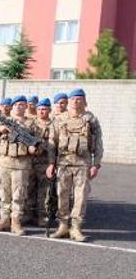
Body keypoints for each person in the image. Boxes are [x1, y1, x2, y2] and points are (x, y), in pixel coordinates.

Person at [46, 89, 103, 242]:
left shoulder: (90, 119)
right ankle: (63, 226)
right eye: (73, 99)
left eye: (79, 99)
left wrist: (96, 165)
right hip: (63, 163)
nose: (76, 102)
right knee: (62, 195)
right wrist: (51, 163)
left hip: (83, 164)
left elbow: (98, 143)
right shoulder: (59, 119)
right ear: (69, 101)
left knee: (80, 197)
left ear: (84, 101)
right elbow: (52, 142)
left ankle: (76, 228)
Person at [0, 95, 41, 235]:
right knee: (4, 192)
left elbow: (41, 143)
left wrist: (35, 149)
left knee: (19, 194)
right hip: (4, 161)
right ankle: (4, 220)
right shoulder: (5, 121)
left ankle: (16, 221)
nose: (19, 107)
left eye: (22, 104)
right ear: (12, 106)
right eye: (16, 104)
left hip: (22, 163)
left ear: (26, 107)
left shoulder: (32, 124)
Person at [28, 97, 53, 226]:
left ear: (49, 110)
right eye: (39, 109)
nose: (41, 111)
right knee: (29, 189)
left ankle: (42, 216)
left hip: (46, 162)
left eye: (44, 109)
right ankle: (28, 214)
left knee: (44, 192)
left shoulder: (54, 124)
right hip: (30, 162)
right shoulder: (31, 124)